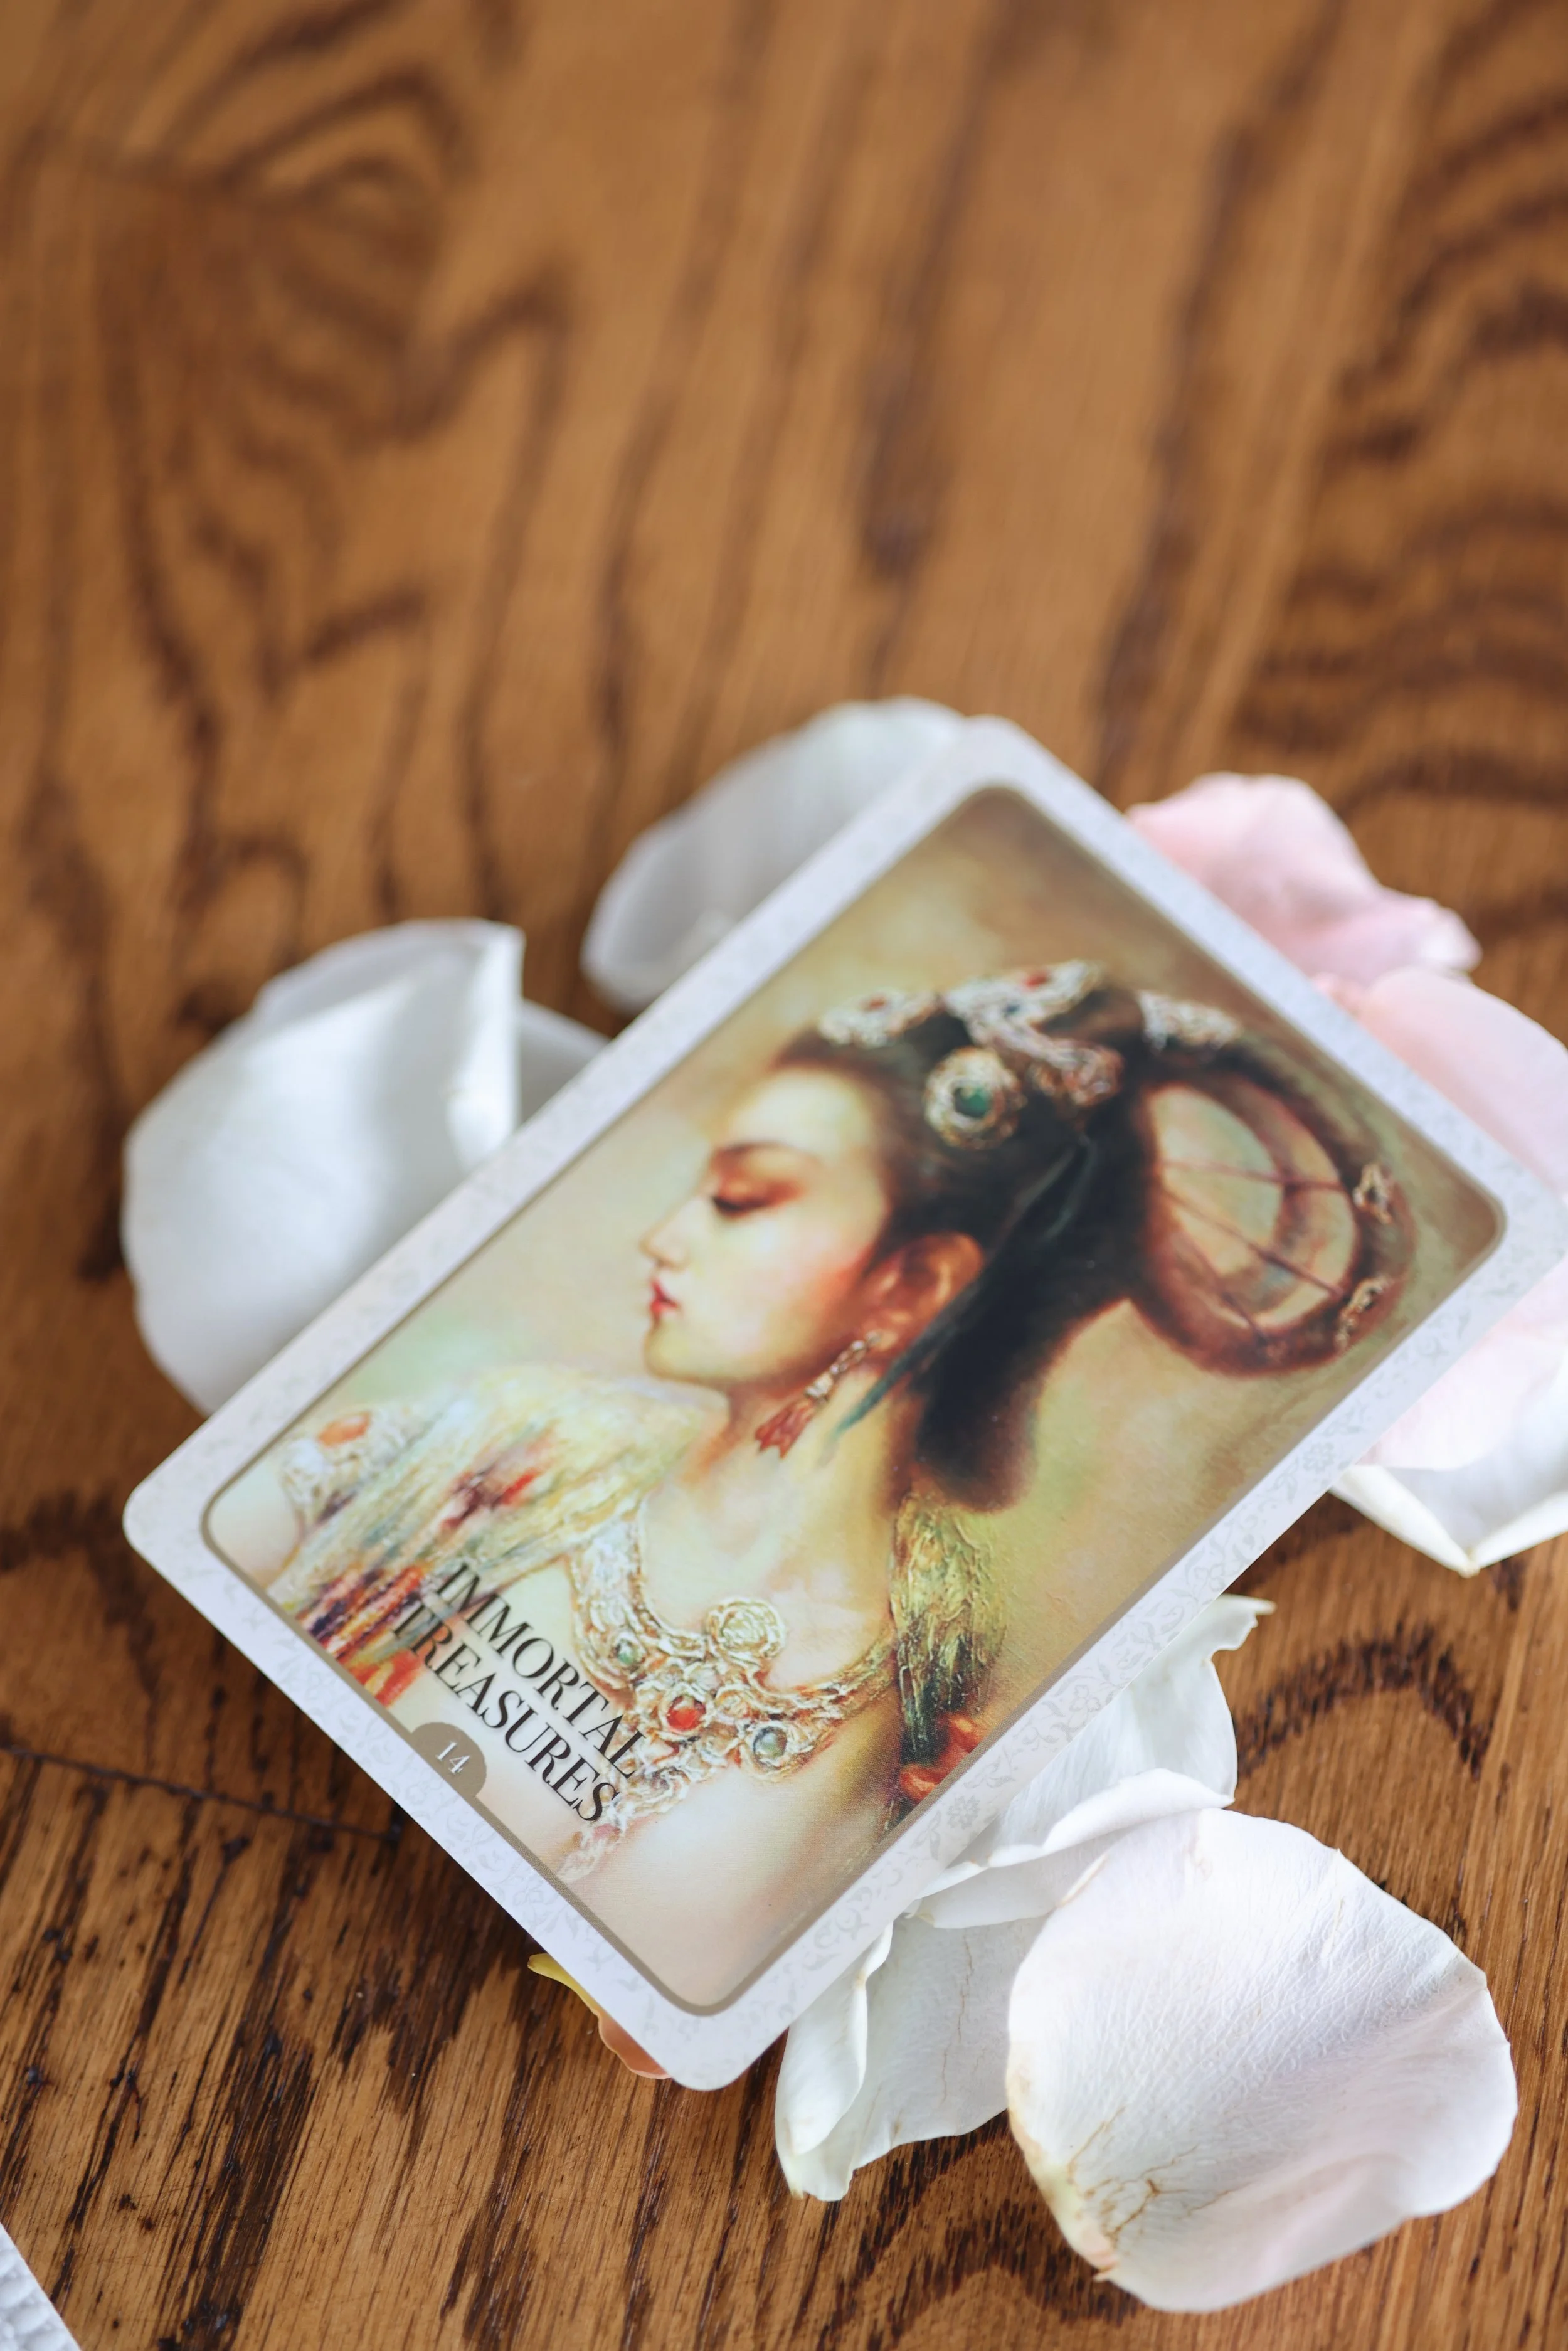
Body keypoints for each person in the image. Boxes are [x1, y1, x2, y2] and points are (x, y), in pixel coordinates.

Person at [258, 963, 1409, 1998]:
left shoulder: (941, 1701)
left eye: (742, 1198)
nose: (664, 1236)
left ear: (914, 1284)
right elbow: (230, 1536)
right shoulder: (515, 1439)